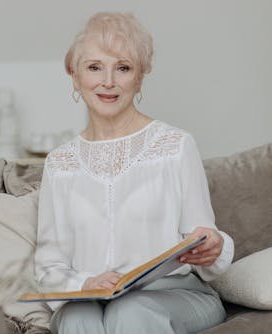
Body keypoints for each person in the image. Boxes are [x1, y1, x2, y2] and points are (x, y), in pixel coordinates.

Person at [34, 12, 234, 334]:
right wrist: (85, 282)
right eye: (94, 67)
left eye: (123, 67)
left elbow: (205, 238)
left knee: (129, 310)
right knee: (75, 317)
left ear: (139, 77)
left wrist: (213, 246)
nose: (108, 81)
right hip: (91, 299)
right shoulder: (60, 163)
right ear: (74, 75)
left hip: (175, 295)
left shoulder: (175, 146)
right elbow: (49, 266)